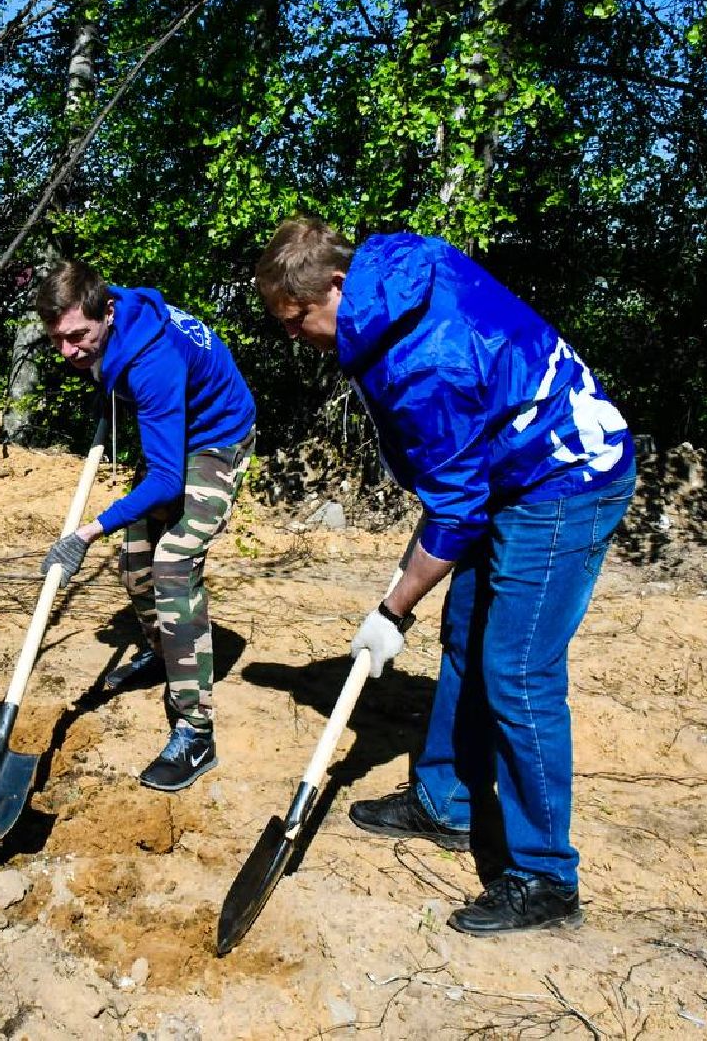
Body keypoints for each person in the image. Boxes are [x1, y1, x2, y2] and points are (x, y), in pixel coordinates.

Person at [255, 219, 635, 935]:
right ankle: (446, 801)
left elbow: (456, 512)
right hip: (510, 466)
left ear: (335, 284)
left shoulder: (423, 361)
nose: (293, 335)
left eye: (297, 318)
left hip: (564, 478)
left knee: (517, 671)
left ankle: (545, 877)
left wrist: (391, 611)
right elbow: (453, 487)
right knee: (465, 636)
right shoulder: (393, 274)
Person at [36, 260, 256, 791]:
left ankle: (196, 732)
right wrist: (102, 378)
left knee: (173, 564)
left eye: (78, 337)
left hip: (216, 440)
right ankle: (165, 653)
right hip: (175, 438)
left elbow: (165, 482)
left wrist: (87, 532)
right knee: (136, 566)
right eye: (57, 339)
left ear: (108, 313)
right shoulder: (115, 312)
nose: (67, 351)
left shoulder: (152, 361)